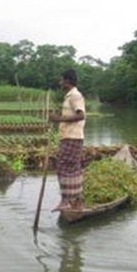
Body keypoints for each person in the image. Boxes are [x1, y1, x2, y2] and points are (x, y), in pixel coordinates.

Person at [49, 69, 86, 212]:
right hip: (69, 136)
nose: (60, 82)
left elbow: (80, 115)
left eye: (61, 80)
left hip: (72, 137)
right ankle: (77, 201)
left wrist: (58, 119)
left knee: (63, 167)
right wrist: (57, 117)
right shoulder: (69, 96)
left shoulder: (75, 96)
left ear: (67, 81)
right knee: (73, 168)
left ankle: (66, 200)